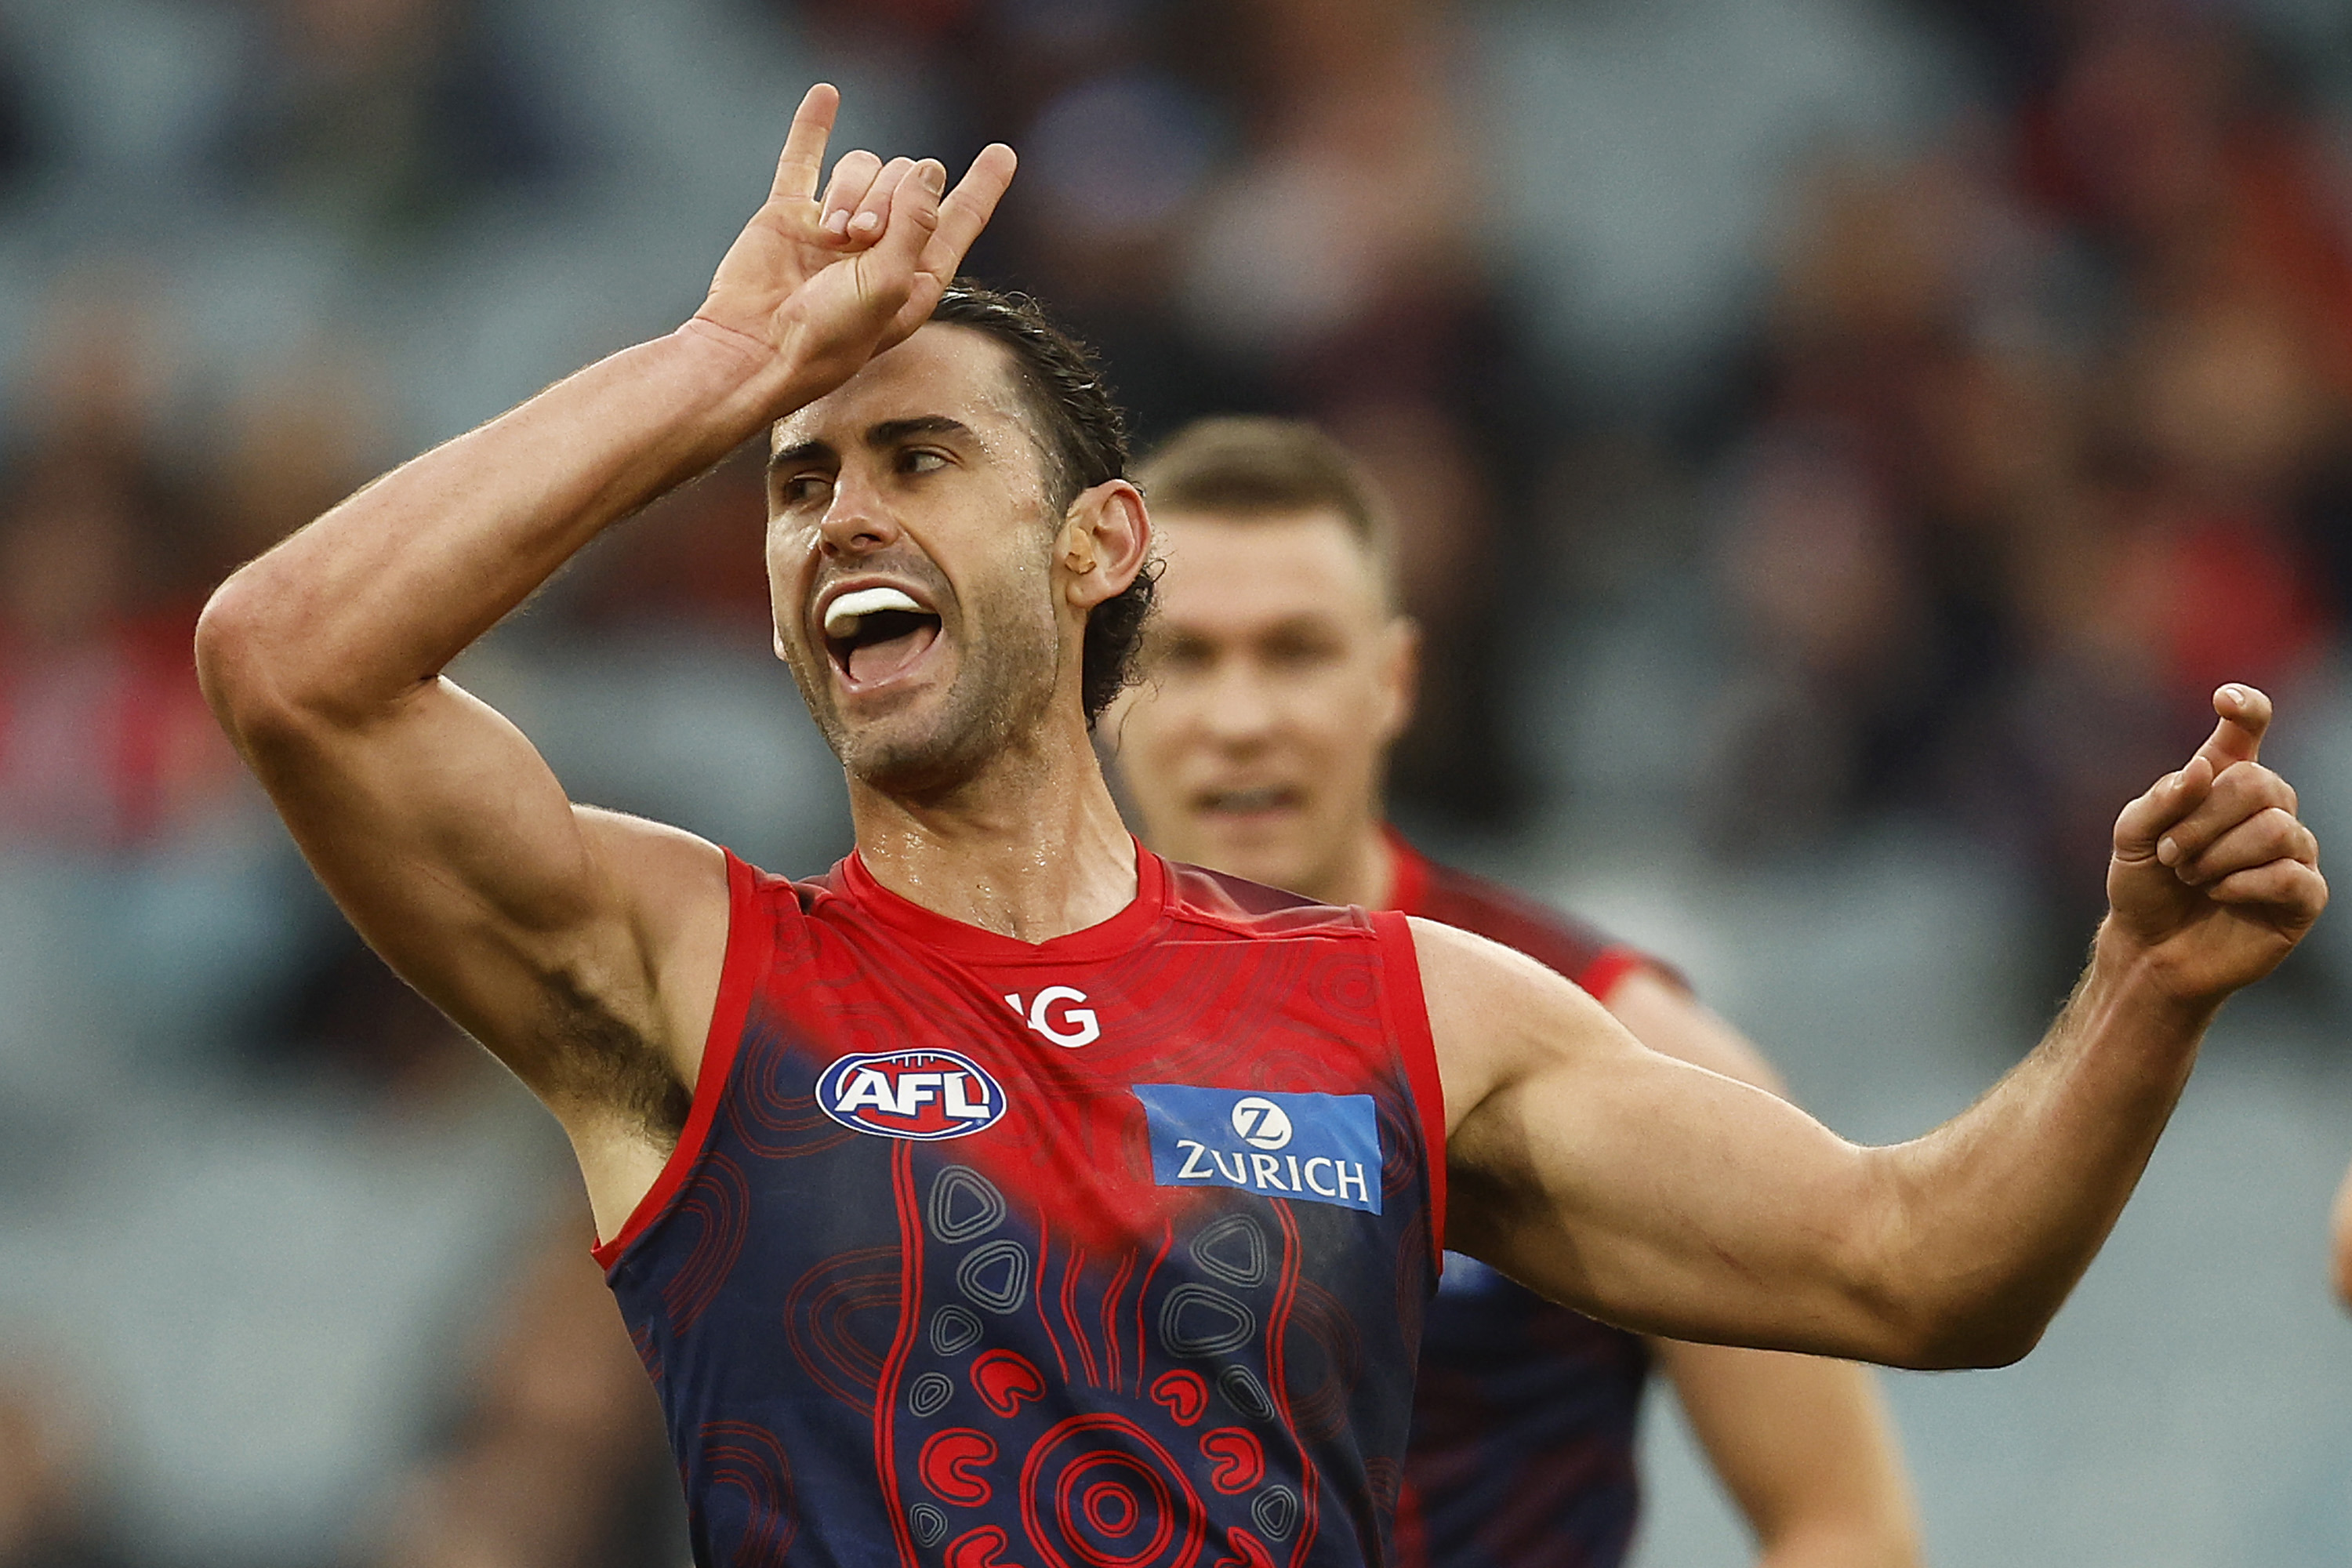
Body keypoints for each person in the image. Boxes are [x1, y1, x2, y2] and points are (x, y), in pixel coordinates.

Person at [194, 85, 2328, 1568]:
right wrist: (718, 366)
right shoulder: (691, 967)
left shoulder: (1408, 1015)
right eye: (795, 483)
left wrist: (2144, 987)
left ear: (1103, 543)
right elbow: (292, 661)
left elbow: (1921, 1268)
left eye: (917, 457)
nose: (840, 508)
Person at [1106, 416, 1920, 1567]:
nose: (1244, 719)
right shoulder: (976, 1024)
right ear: (1099, 681)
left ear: (1392, 680)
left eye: (1295, 652)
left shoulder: (1612, 1035)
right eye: (1183, 655)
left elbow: (1842, 1523)